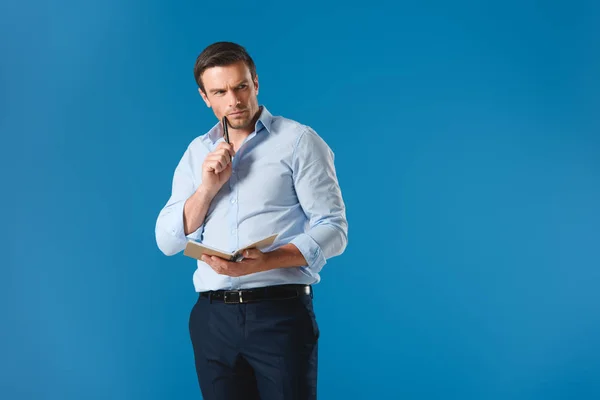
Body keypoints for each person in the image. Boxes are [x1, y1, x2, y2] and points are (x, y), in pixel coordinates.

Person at [155, 41, 348, 400]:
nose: (234, 100)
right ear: (205, 97)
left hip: (279, 314)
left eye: (241, 86)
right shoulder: (197, 152)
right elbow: (168, 241)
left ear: (255, 82)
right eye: (220, 92)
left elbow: (334, 229)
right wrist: (208, 188)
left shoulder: (299, 142)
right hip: (212, 320)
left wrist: (268, 261)